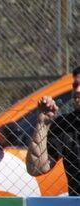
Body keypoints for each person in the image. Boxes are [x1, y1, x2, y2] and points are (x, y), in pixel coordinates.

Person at [26, 66, 80, 195]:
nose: (77, 90)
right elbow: (36, 168)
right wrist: (42, 123)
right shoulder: (66, 124)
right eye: (75, 85)